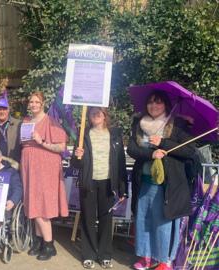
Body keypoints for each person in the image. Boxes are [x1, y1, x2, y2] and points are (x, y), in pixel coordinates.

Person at [127, 90, 194, 270]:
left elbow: (190, 150)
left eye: (158, 102)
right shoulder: (139, 124)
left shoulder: (178, 125)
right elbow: (131, 150)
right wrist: (151, 153)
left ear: (166, 105)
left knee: (164, 223)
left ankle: (164, 260)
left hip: (168, 185)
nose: (153, 105)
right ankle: (146, 256)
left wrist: (163, 143)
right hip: (144, 182)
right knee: (143, 220)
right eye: (150, 102)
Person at [71, 107, 128, 269]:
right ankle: (88, 255)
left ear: (105, 116)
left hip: (108, 182)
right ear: (88, 116)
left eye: (98, 113)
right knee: (88, 219)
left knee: (105, 219)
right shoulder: (83, 134)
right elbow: (75, 164)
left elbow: (121, 164)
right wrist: (77, 155)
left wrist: (123, 189)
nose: (95, 115)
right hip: (88, 182)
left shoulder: (115, 134)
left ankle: (105, 255)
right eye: (92, 113)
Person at [20, 91, 68, 261]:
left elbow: (62, 147)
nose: (33, 105)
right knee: (34, 203)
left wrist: (42, 142)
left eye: (36, 102)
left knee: (42, 206)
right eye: (31, 102)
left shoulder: (51, 121)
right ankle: (40, 241)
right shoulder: (26, 121)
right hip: (29, 166)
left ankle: (49, 244)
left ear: (42, 104)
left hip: (45, 166)